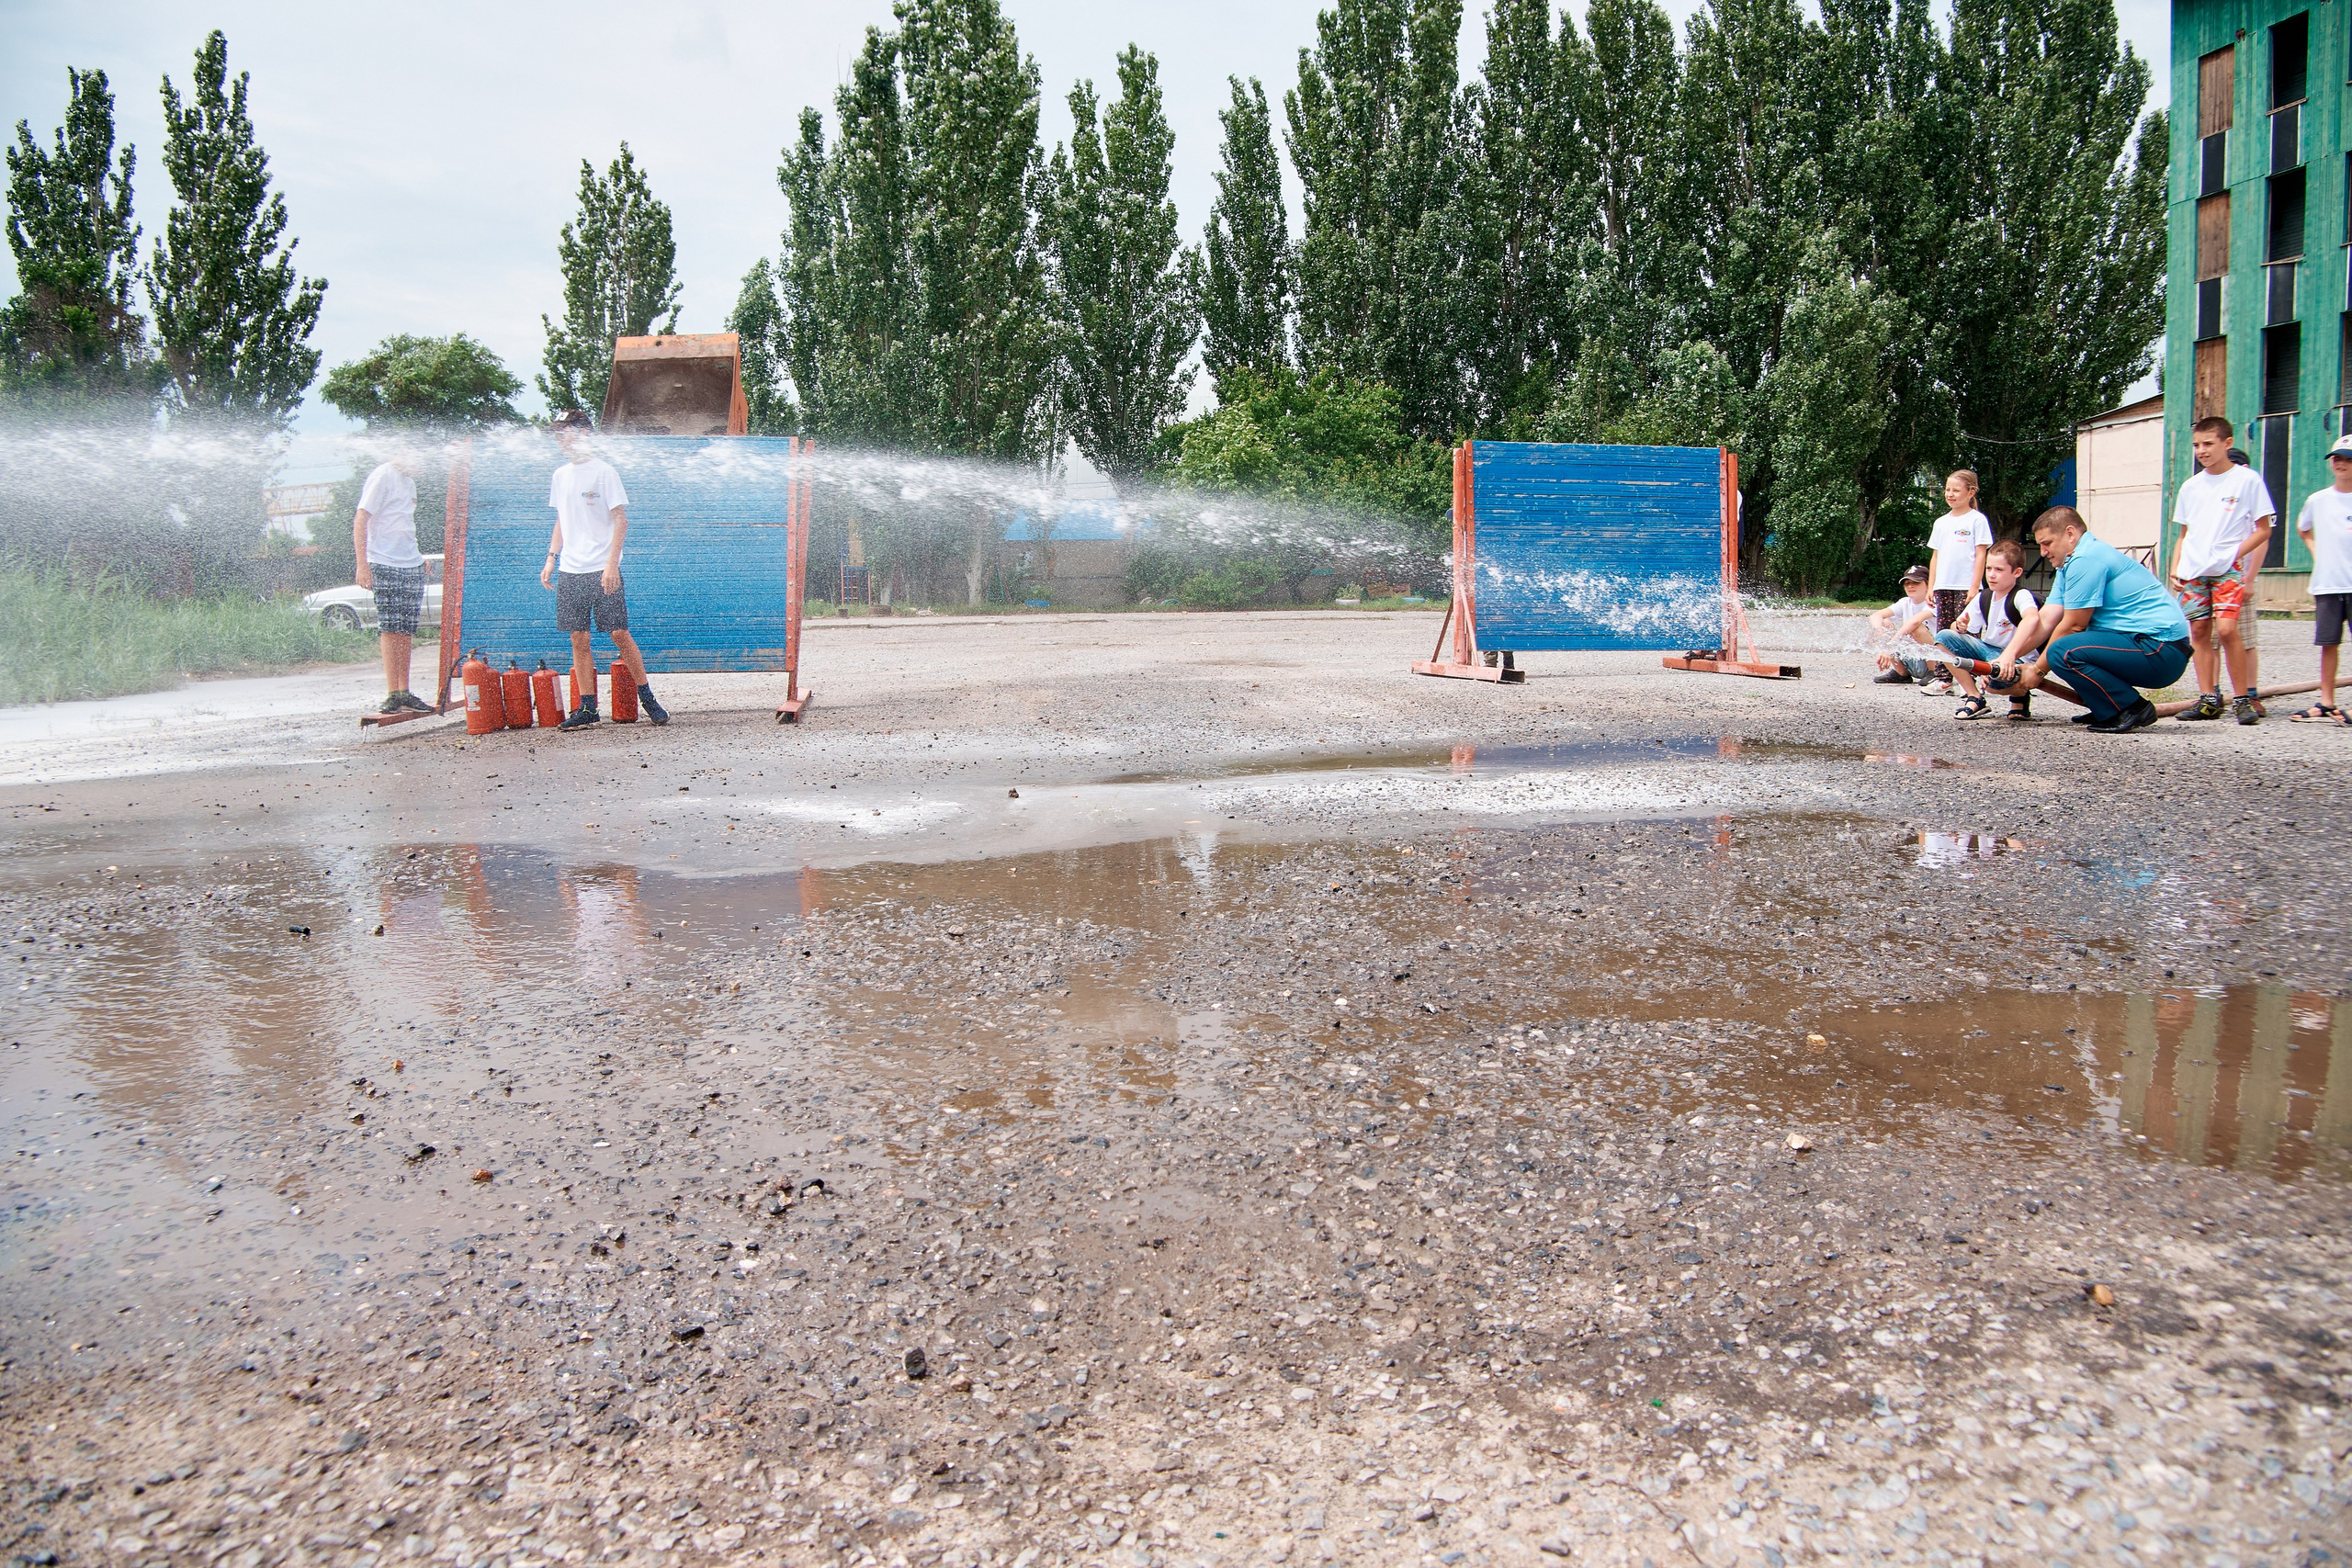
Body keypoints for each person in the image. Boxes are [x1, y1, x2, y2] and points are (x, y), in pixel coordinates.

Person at [1989, 506, 2191, 733]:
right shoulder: (2070, 565)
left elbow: (2074, 625)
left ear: (2070, 534)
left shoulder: (2086, 559)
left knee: (2062, 650)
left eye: (2047, 543)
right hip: (2147, 646)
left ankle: (2132, 708)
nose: (2043, 551)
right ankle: (2107, 707)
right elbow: (2046, 619)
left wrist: (2037, 671)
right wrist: (2007, 657)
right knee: (2062, 646)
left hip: (2161, 651)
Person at [541, 410, 669, 730]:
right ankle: (588, 708)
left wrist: (612, 564)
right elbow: (561, 520)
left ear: (584, 433)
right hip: (571, 570)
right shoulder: (560, 475)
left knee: (618, 634)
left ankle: (648, 698)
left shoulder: (604, 472)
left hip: (603, 568)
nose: (560, 438)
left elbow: (621, 519)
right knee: (578, 639)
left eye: (565, 431)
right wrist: (551, 558)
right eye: (557, 433)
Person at [2169, 415, 2274, 724]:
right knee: (2199, 632)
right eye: (2197, 445)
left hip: (2227, 570)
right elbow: (2184, 534)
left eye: (2208, 444)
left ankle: (2242, 699)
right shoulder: (2191, 486)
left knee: (2228, 630)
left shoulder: (2247, 480)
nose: (2201, 450)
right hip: (2195, 571)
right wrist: (2176, 567)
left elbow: (2263, 529)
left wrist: (2232, 556)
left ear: (2227, 443)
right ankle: (2208, 700)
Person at [353, 453, 432, 716]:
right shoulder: (382, 475)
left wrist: (419, 558)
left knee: (406, 628)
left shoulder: (408, 482)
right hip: (384, 562)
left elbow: (404, 524)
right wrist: (362, 565)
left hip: (410, 563)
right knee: (390, 626)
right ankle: (392, 693)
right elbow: (361, 518)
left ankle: (404, 690)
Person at [1936, 539, 2038, 721]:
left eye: (1999, 570)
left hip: (2016, 658)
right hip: (1989, 652)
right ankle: (1974, 696)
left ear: (2017, 572)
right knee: (1944, 637)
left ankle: (2020, 696)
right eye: (1988, 568)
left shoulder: (2021, 595)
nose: (1991, 575)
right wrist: (1959, 626)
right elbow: (1955, 627)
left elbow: (2032, 618)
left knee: (1996, 682)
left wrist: (2009, 655)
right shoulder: (1985, 597)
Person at [2289, 433, 2352, 724]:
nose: (2342, 463)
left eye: (2348, 459)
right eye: (2338, 458)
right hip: (2328, 583)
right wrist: (2318, 553)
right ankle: (2327, 701)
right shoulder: (2318, 500)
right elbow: (2304, 528)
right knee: (2329, 643)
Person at [1925, 468, 1993, 654]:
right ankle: (1943, 678)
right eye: (1947, 490)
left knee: (1967, 631)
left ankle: (1970, 677)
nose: (1950, 494)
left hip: (1967, 587)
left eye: (1956, 490)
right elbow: (1935, 556)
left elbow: (1981, 555)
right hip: (1943, 585)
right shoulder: (1940, 522)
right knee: (1943, 633)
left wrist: (1974, 587)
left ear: (1971, 492)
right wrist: (1931, 587)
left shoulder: (1977, 520)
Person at [1870, 565, 1945, 685]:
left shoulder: (1934, 602)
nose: (1910, 586)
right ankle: (1901, 673)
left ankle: (1934, 673)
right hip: (1911, 656)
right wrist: (1882, 637)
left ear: (1928, 585)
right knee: (1884, 623)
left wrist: (1890, 646)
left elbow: (1914, 621)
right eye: (1907, 583)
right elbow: (1875, 616)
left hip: (1934, 658)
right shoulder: (1905, 602)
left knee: (1917, 629)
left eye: (1916, 582)